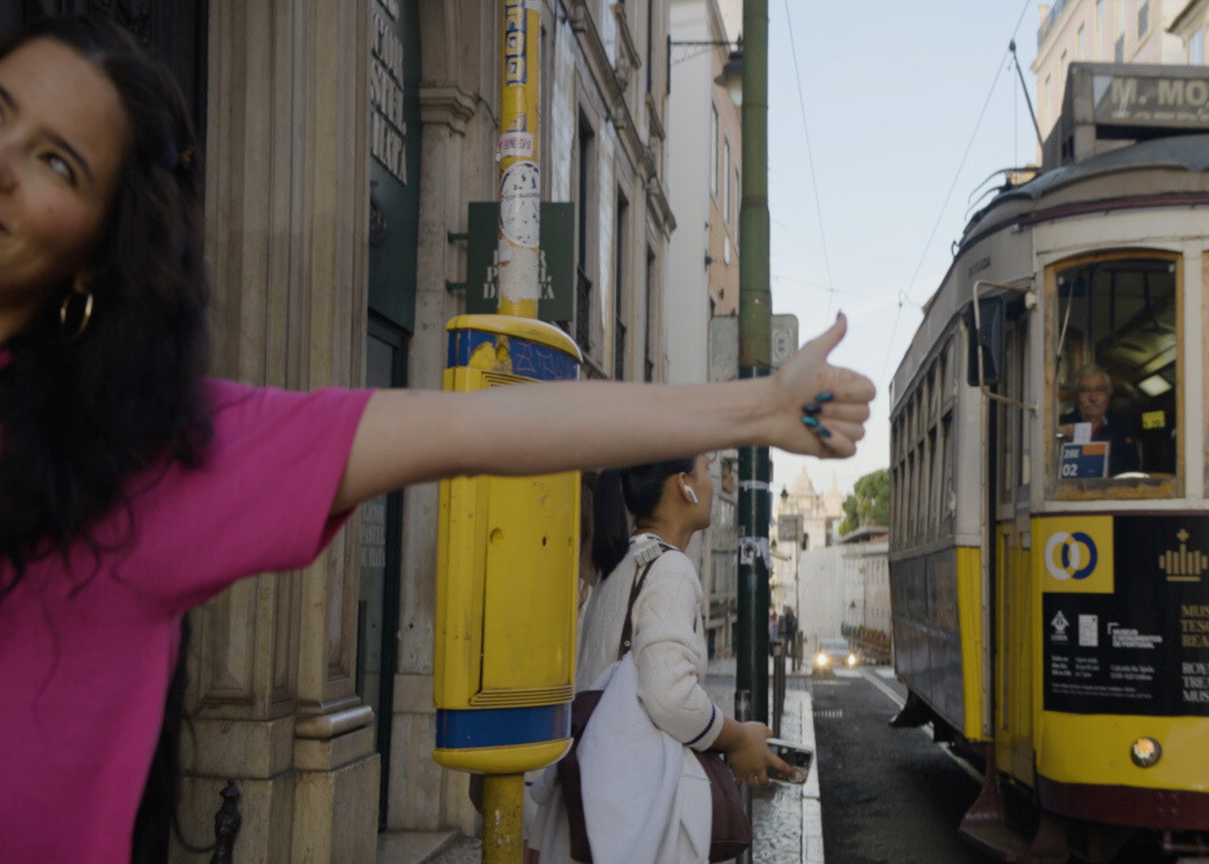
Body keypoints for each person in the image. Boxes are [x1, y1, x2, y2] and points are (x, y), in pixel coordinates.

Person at [0, 17, 872, 863]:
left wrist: (757, 408)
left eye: (56, 162)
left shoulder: (150, 465)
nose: (6, 165)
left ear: (95, 256)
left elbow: (487, 425)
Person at [528, 456, 790, 864]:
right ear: (684, 485)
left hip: (591, 806)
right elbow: (669, 697)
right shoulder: (671, 569)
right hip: (637, 819)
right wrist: (739, 737)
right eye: (705, 471)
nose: (711, 484)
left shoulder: (619, 567)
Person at [1057, 363, 1140, 476]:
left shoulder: (1122, 425)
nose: (1093, 398)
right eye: (1085, 390)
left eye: (1100, 390)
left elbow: (1131, 467)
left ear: (1108, 396)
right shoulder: (1060, 424)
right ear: (1076, 397)